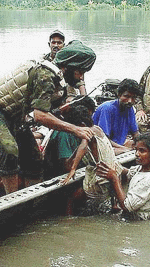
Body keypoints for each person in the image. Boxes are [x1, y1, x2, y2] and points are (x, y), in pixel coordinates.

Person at [0, 40, 96, 194]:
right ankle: (10, 203)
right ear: (69, 67)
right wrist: (75, 130)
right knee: (10, 151)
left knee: (34, 158)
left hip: (16, 117)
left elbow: (49, 111)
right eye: (80, 71)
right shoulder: (45, 75)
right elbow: (40, 115)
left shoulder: (59, 80)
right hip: (2, 113)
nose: (81, 77)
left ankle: (33, 200)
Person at [59, 104, 123, 215]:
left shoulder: (88, 132)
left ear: (82, 125)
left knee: (71, 200)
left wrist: (73, 169)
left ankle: (68, 220)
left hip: (100, 180)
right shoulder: (97, 128)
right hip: (114, 173)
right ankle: (114, 205)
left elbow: (83, 146)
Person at [96, 132, 150, 220]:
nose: (137, 154)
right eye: (136, 150)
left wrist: (114, 179)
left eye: (142, 151)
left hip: (137, 220)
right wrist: (114, 166)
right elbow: (131, 173)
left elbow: (127, 206)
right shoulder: (149, 167)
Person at [43, 95, 96, 180]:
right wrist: (83, 143)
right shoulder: (64, 134)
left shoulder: (74, 127)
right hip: (59, 179)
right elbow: (68, 167)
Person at [93, 79, 141, 155]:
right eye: (126, 96)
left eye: (133, 98)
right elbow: (103, 139)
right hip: (101, 145)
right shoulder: (107, 109)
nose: (130, 101)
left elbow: (135, 133)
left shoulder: (129, 109)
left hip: (118, 144)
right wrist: (123, 149)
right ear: (119, 95)